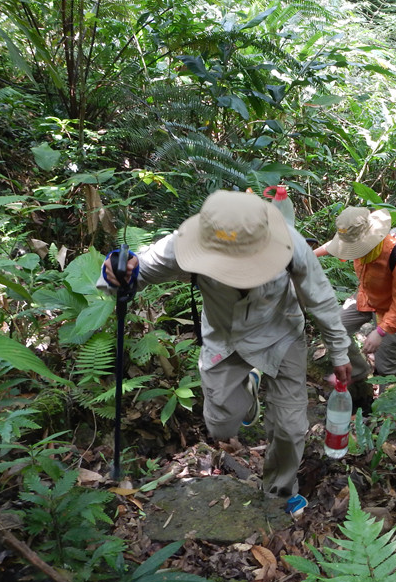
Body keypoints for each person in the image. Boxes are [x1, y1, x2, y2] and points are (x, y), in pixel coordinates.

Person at [99, 190, 351, 511]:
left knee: (289, 427)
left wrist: (340, 352)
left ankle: (280, 492)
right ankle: (248, 391)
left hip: (281, 337)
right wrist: (116, 272)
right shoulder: (187, 244)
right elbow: (141, 268)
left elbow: (320, 298)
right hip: (223, 339)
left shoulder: (290, 244)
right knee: (220, 426)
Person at [321, 207, 396, 384]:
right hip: (367, 298)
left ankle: (390, 408)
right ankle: (358, 371)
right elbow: (333, 246)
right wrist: (306, 255)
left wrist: (380, 331)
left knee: (386, 366)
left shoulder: (395, 257)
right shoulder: (352, 240)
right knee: (334, 330)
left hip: (394, 312)